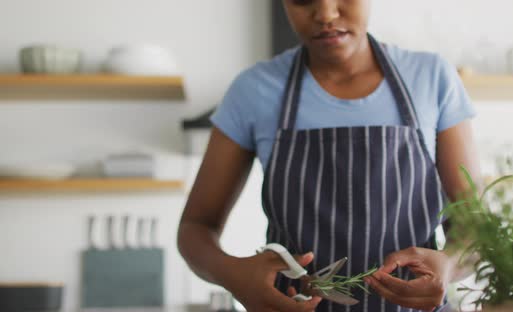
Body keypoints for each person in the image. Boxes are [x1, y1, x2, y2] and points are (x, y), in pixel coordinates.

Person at [177, 0, 481, 311]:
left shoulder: (431, 78)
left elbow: (477, 228)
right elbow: (196, 227)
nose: (325, 14)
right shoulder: (253, 90)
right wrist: (234, 274)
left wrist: (449, 266)